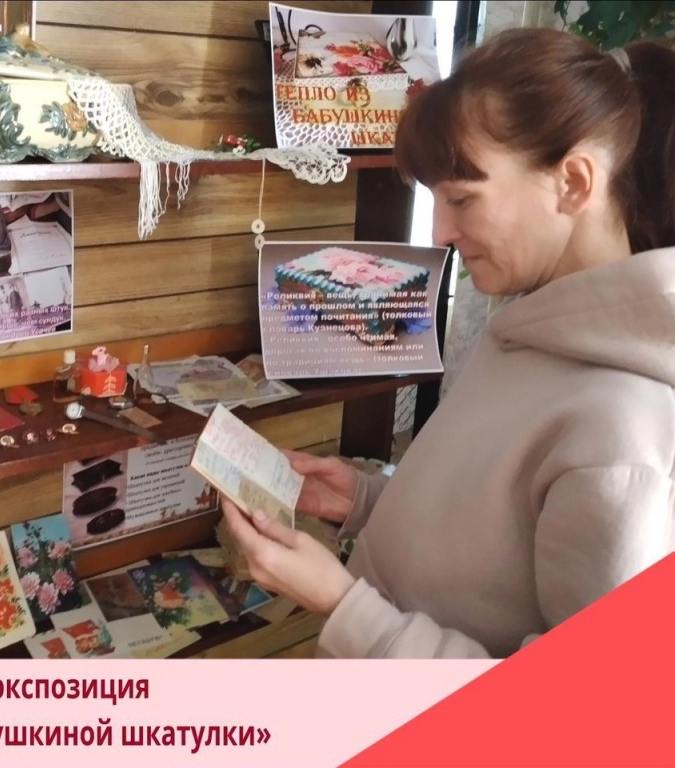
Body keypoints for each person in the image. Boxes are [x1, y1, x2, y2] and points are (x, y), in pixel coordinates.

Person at [221, 27, 675, 659]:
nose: (440, 231)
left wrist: (343, 606)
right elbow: (492, 539)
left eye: (462, 198)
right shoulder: (533, 328)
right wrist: (367, 501)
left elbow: (577, 709)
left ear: (573, 182)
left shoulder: (623, 433)